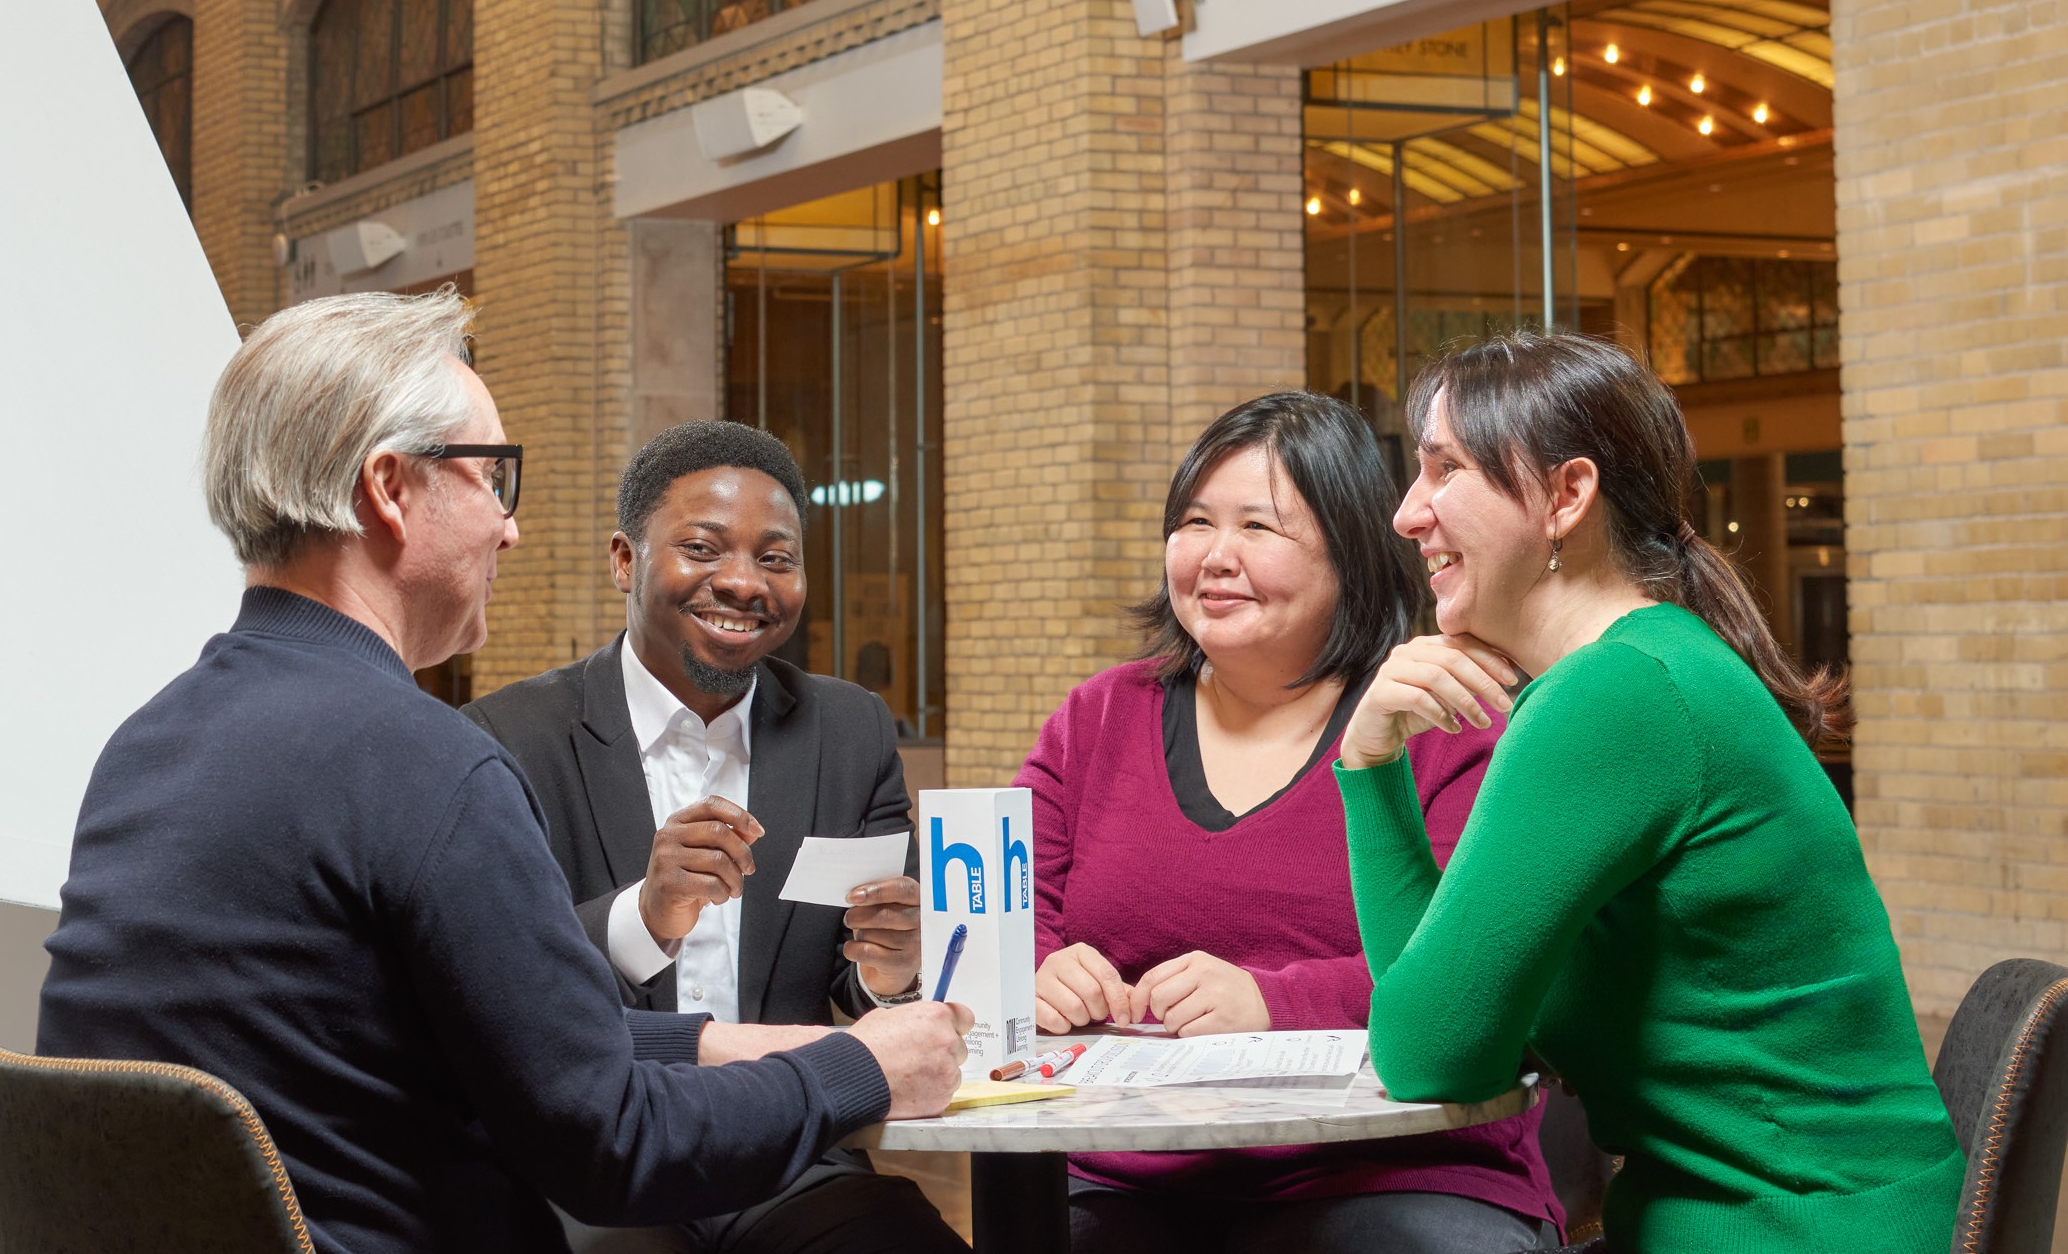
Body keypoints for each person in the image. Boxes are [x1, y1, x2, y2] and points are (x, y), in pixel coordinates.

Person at [36, 291, 970, 1254]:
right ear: (391, 489)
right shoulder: (429, 765)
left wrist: (701, 1041)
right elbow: (610, 1146)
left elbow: (443, 1032)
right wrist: (858, 1069)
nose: (510, 529)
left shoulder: (147, 743)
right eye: (494, 477)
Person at [1338, 330, 1965, 1252]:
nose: (1406, 513)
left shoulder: (1613, 695)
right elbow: (1448, 1031)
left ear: (1566, 496)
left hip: (1796, 1228)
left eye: (1444, 470)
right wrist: (1374, 760)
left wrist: (1365, 769)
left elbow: (1425, 1050)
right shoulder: (1648, 667)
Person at [1021, 391, 1561, 1254]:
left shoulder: (1444, 722)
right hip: (1131, 1175)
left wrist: (1272, 1000)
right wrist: (1038, 971)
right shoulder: (1096, 720)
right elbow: (1000, 924)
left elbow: (1482, 979)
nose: (1216, 557)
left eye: (1259, 529)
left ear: (1349, 552)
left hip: (1396, 1171)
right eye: (1195, 522)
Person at [467, 420, 962, 1254]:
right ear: (625, 560)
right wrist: (647, 914)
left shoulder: (847, 731)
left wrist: (890, 971)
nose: (743, 583)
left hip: (790, 1157)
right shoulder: (509, 738)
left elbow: (862, 988)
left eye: (775, 558)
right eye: (702, 549)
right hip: (595, 1165)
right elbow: (500, 992)